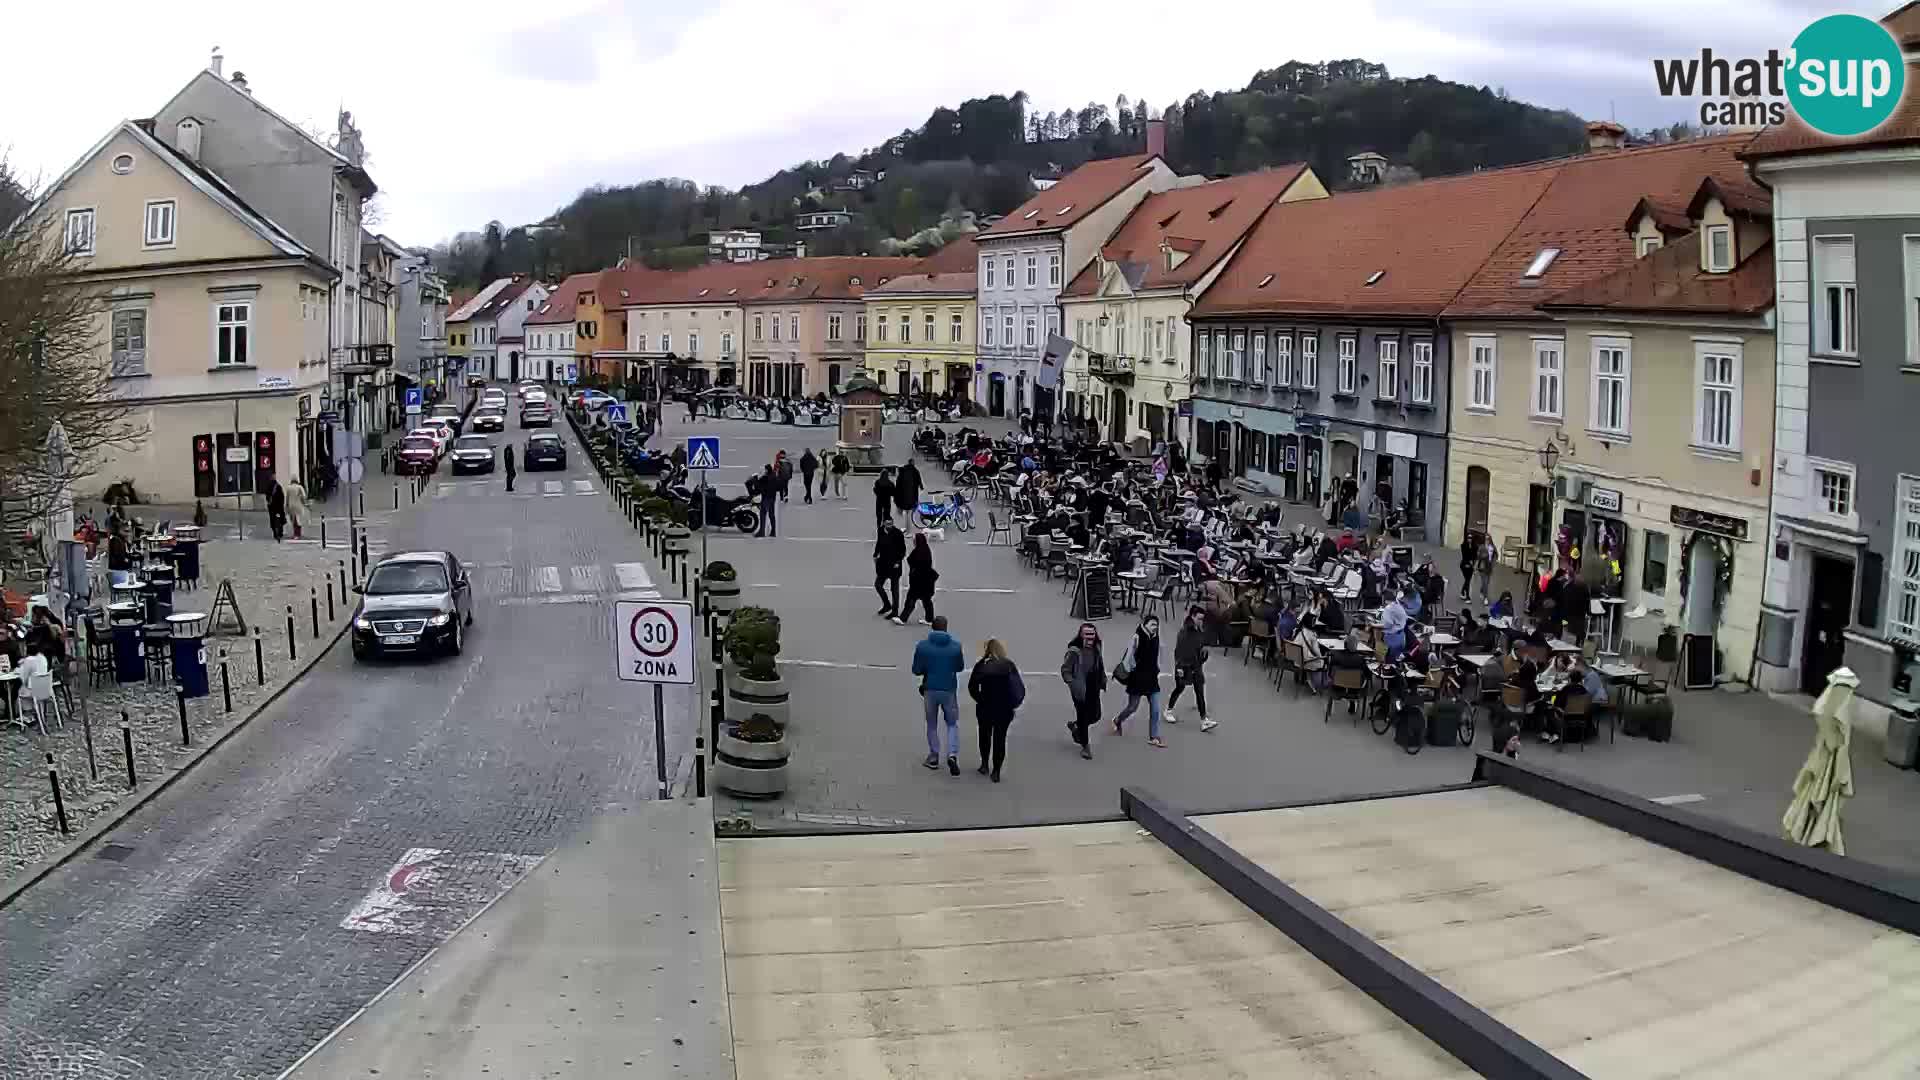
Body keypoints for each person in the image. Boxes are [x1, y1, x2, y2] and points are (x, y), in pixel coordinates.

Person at [911, 614, 965, 774]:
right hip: (948, 690)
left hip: (930, 689)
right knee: (952, 723)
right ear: (946, 628)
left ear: (932, 627)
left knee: (932, 724)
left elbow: (916, 670)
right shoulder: (955, 647)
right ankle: (952, 754)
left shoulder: (922, 646)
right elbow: (960, 667)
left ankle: (934, 756)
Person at [968, 638, 1025, 782]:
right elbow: (1018, 687)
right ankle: (996, 771)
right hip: (1004, 708)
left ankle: (984, 764)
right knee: (1000, 738)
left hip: (985, 706)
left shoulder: (981, 665)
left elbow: (972, 686)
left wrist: (980, 699)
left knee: (984, 736)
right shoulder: (1008, 665)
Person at [1111, 616, 1166, 748]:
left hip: (1152, 679)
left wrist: (1157, 668)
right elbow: (1128, 657)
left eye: (1156, 625)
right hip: (1137, 679)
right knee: (1132, 707)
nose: (1155, 627)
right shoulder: (1136, 637)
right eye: (1152, 624)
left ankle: (1154, 737)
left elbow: (1158, 654)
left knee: (1156, 709)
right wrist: (1133, 669)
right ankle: (1118, 720)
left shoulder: (1156, 637)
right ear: (1145, 625)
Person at [1060, 623, 1105, 760]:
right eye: (1087, 633)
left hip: (1093, 684)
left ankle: (1076, 726)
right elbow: (1065, 670)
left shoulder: (1097, 646)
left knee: (1096, 715)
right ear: (1081, 635)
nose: (1090, 636)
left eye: (1092, 633)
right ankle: (1085, 747)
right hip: (1080, 688)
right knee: (1083, 715)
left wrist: (1103, 679)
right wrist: (1072, 684)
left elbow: (1100, 663)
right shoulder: (1074, 651)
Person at [1167, 607, 1217, 732]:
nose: (1201, 621)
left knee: (1199, 692)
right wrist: (1180, 668)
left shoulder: (1199, 629)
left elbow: (1201, 644)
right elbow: (1180, 652)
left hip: (1196, 666)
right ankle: (1168, 710)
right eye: (1199, 618)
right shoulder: (1185, 632)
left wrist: (1204, 654)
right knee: (1180, 688)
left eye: (1202, 619)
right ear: (1193, 616)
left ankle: (1204, 720)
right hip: (1185, 666)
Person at [897, 532, 938, 625]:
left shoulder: (919, 551)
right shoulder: (925, 549)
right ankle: (929, 619)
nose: (913, 541)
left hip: (919, 582)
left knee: (911, 599)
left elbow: (913, 562)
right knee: (926, 601)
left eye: (914, 540)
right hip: (927, 581)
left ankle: (903, 618)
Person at [873, 519, 906, 618]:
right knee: (878, 585)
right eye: (887, 524)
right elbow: (878, 543)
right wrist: (875, 554)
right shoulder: (880, 531)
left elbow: (903, 550)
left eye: (891, 524)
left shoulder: (898, 533)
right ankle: (887, 605)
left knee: (894, 589)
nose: (889, 525)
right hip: (883, 564)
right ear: (884, 524)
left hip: (894, 566)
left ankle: (895, 612)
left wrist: (898, 561)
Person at [1380, 589, 1410, 659]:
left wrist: (1373, 624)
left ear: (1385, 599)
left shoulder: (1389, 608)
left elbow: (1387, 625)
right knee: (1397, 659)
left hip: (1392, 638)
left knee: (1389, 660)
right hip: (1401, 637)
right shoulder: (1399, 607)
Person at [753, 463, 779, 538]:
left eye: (765, 470)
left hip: (766, 498)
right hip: (772, 498)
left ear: (767, 470)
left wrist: (755, 479)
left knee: (763, 514)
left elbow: (758, 486)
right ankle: (773, 531)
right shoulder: (774, 476)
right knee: (771, 515)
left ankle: (762, 532)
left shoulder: (766, 477)